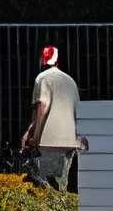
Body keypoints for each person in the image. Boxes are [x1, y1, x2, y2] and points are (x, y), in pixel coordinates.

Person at [20, 42, 86, 187]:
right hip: (69, 142)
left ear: (42, 61)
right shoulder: (70, 81)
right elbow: (77, 111)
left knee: (46, 187)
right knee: (61, 186)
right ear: (57, 61)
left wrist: (35, 135)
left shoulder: (42, 78)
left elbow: (42, 106)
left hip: (48, 141)